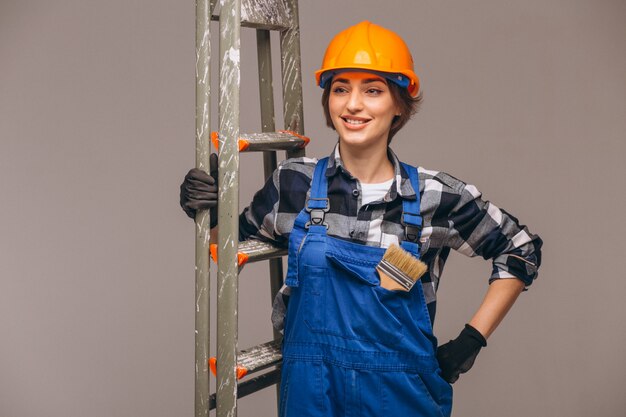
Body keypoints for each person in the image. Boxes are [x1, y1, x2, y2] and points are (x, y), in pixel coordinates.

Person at [180, 21, 542, 417]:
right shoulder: (293, 183)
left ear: (400, 105)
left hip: (400, 396)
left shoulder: (436, 196)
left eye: (372, 90)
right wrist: (209, 211)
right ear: (328, 101)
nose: (353, 104)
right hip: (312, 394)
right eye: (340, 89)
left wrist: (470, 342)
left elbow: (520, 249)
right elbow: (233, 240)